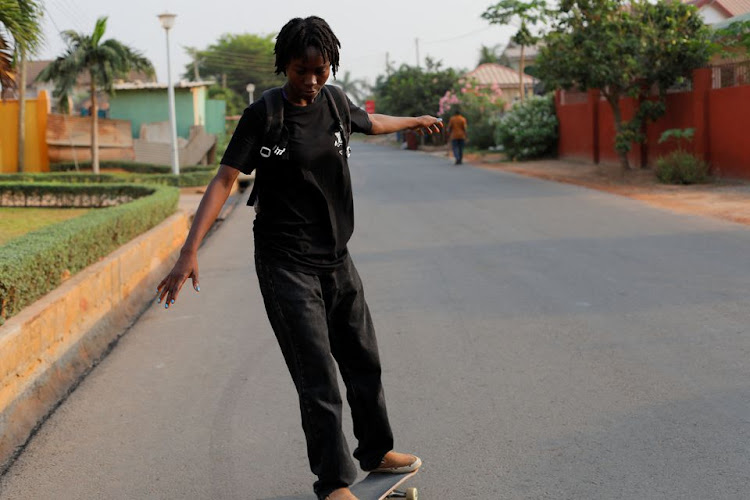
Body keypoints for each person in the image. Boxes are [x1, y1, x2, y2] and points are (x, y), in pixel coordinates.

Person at [156, 16, 442, 500]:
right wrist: (189, 251)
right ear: (284, 67)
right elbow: (224, 181)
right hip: (285, 261)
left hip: (336, 256)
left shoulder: (333, 101)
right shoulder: (264, 116)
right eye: (300, 71)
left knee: (362, 358)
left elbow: (370, 122)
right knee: (317, 376)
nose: (311, 80)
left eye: (320, 68)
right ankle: (333, 484)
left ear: (330, 64)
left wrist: (413, 120)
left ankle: (375, 451)